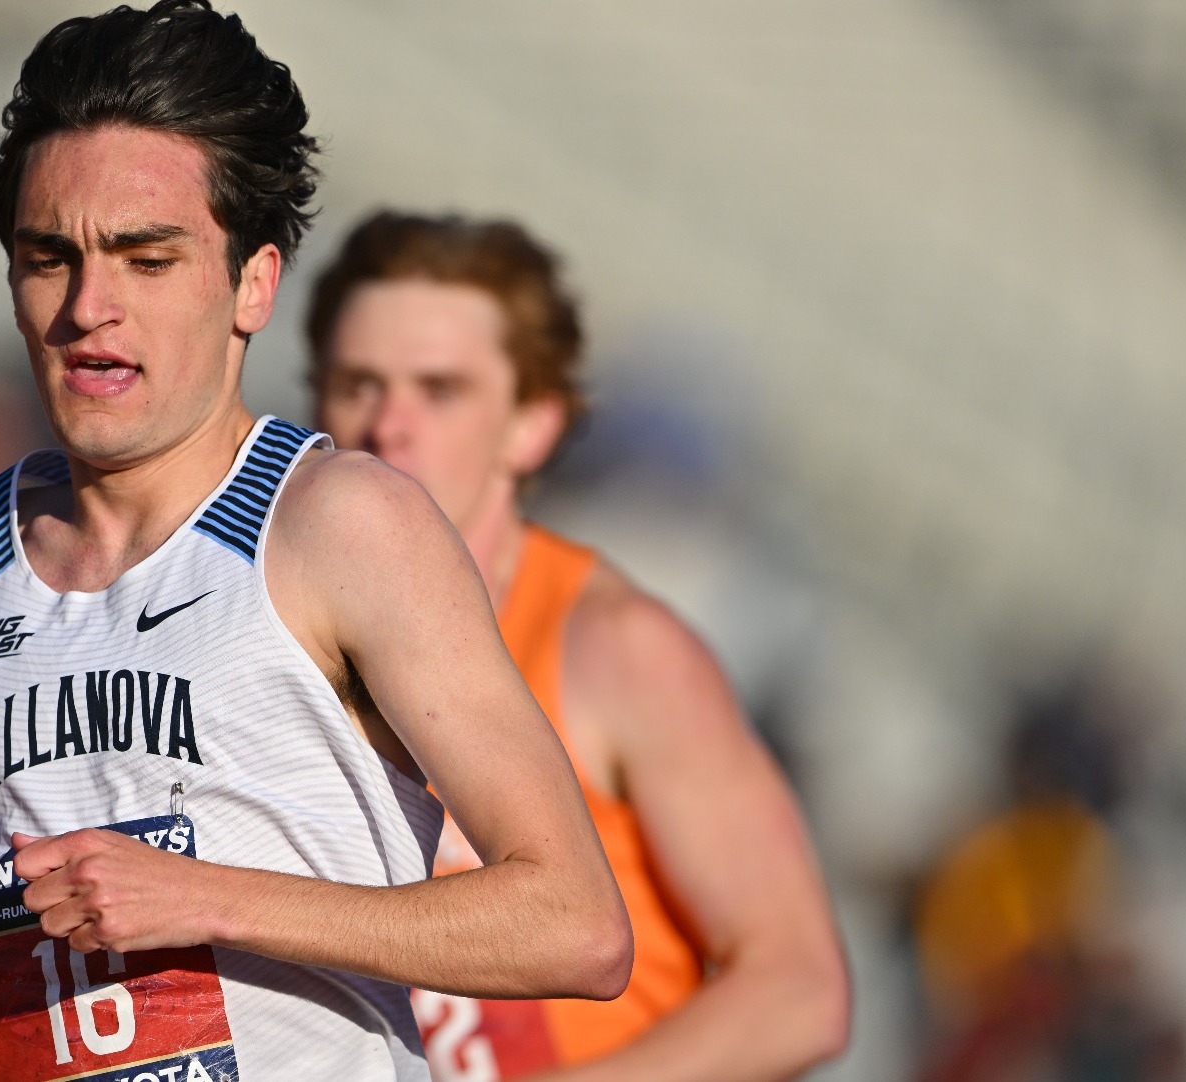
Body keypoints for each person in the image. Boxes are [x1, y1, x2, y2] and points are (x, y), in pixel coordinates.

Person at [0, 5, 631, 1081]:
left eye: (145, 258)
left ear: (251, 283)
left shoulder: (342, 525)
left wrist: (202, 896)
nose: (88, 308)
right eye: (48, 258)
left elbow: (575, 924)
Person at [307, 211, 851, 1080]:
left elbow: (799, 991)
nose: (390, 425)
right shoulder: (270, 619)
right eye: (357, 384)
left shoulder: (616, 650)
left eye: (439, 390)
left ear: (531, 425)